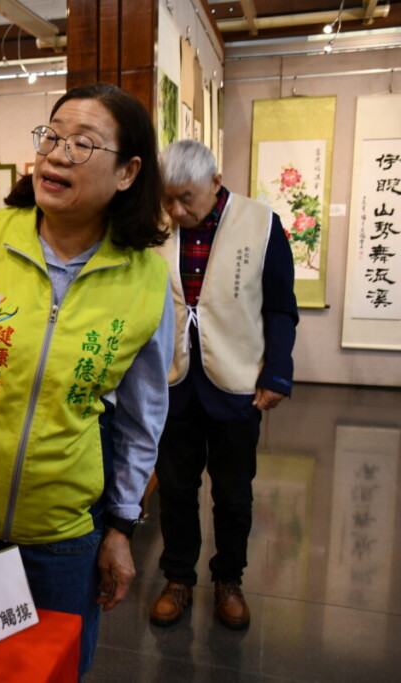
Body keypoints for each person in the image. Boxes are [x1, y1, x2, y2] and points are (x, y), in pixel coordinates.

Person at [0, 83, 175, 675]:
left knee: (45, 669)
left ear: (127, 173)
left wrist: (121, 525)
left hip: (63, 534)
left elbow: (146, 415)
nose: (56, 153)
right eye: (51, 135)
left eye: (83, 143)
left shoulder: (146, 279)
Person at [148, 139, 298, 630]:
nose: (176, 210)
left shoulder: (261, 222)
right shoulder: (156, 227)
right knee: (175, 488)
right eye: (168, 198)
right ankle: (177, 579)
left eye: (186, 198)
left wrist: (277, 372)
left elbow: (280, 306)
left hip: (236, 381)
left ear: (215, 182)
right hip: (174, 381)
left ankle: (228, 579)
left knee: (233, 493)